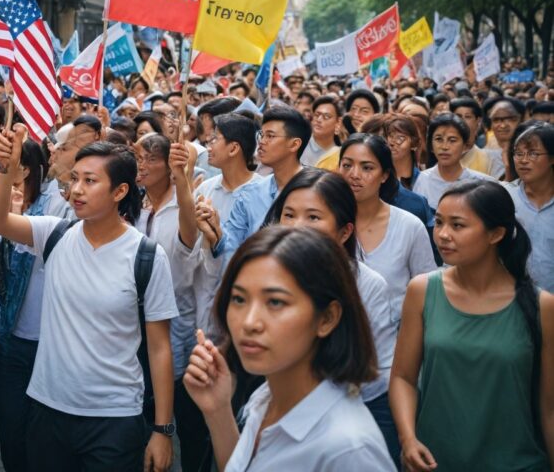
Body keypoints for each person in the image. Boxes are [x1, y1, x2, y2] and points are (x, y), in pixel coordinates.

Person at [0, 130, 178, 472]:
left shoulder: (147, 256)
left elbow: (160, 347)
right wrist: (5, 168)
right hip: (47, 408)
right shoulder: (54, 234)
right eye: (74, 178)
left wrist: (162, 429)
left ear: (120, 191)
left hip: (114, 417)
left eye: (90, 181)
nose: (76, 190)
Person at [183, 226, 394, 471]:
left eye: (275, 302)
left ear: (327, 318)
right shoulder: (265, 398)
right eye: (239, 299)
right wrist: (218, 410)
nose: (249, 322)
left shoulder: (349, 449)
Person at [390, 181, 553, 471]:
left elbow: (549, 406)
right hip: (435, 461)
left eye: (458, 225)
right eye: (438, 222)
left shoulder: (541, 306)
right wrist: (408, 439)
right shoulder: (423, 291)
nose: (442, 235)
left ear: (496, 234)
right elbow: (403, 377)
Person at [264, 170, 400, 463]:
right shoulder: (265, 276)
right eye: (289, 214)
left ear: (345, 231)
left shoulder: (367, 285)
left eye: (313, 217)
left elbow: (378, 370)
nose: (297, 227)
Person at [0, 137, 70, 472]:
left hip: (51, 343)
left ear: (24, 169)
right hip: (11, 339)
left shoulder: (55, 208)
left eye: (6, 163)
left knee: (43, 438)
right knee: (11, 432)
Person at [137, 134, 205, 472]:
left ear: (169, 164)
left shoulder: (185, 207)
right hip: (137, 330)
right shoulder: (134, 206)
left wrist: (183, 181)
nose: (142, 166)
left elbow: (189, 241)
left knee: (188, 429)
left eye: (151, 159)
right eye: (138, 157)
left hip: (178, 327)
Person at [337, 135, 436, 321]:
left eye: (367, 168)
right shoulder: (326, 222)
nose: (354, 174)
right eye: (347, 165)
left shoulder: (409, 226)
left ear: (384, 175)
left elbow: (428, 294)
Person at [207, 106, 310, 265]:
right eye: (261, 135)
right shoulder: (250, 193)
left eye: (270, 136)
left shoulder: (317, 189)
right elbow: (231, 250)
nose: (262, 142)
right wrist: (216, 232)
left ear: (294, 144)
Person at [189, 113, 260, 338]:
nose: (208, 147)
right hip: (205, 299)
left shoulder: (262, 193)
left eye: (214, 140)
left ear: (233, 148)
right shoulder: (205, 190)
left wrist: (219, 237)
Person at [414, 113, 496, 211]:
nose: (444, 147)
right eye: (439, 139)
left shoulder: (482, 182)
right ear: (431, 146)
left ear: (465, 146)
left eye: (452, 140)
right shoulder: (422, 180)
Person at [507, 122, 554, 293]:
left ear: (552, 158)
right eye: (518, 154)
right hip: (512, 300)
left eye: (533, 154)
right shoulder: (504, 197)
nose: (523, 160)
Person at [450, 97, 503, 178]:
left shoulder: (490, 158)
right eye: (458, 116)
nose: (462, 121)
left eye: (468, 117)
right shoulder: (445, 156)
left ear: (478, 121)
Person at [485, 97, 525, 181]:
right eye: (496, 120)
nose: (503, 125)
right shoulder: (481, 156)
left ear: (521, 120)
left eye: (510, 119)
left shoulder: (531, 153)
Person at [302, 96, 340, 167]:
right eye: (317, 115)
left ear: (338, 123)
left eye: (326, 116)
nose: (319, 119)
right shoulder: (298, 143)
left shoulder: (339, 157)